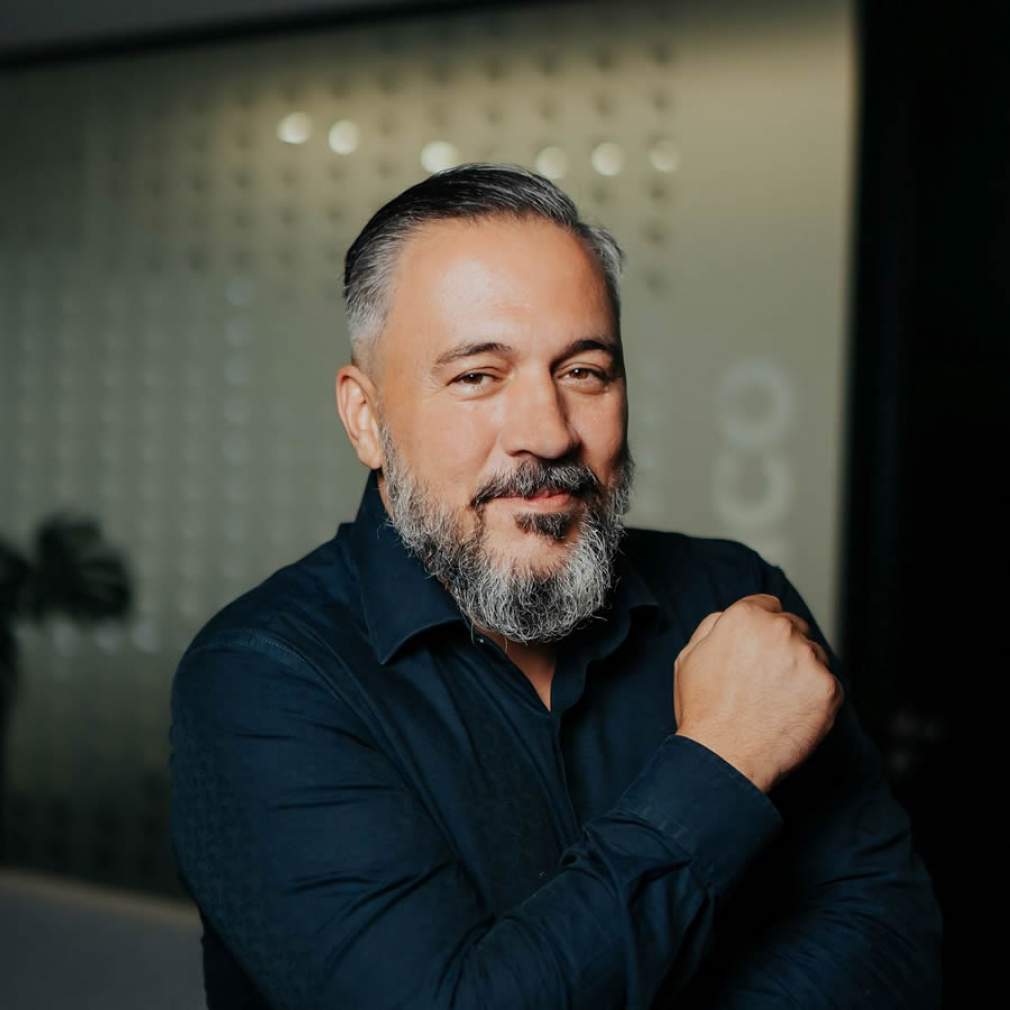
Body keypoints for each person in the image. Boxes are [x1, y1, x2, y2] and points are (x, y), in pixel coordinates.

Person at [169, 163, 942, 1010]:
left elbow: (890, 941)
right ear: (366, 418)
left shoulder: (731, 595)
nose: (546, 432)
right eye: (478, 376)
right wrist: (723, 760)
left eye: (584, 372)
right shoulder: (262, 680)